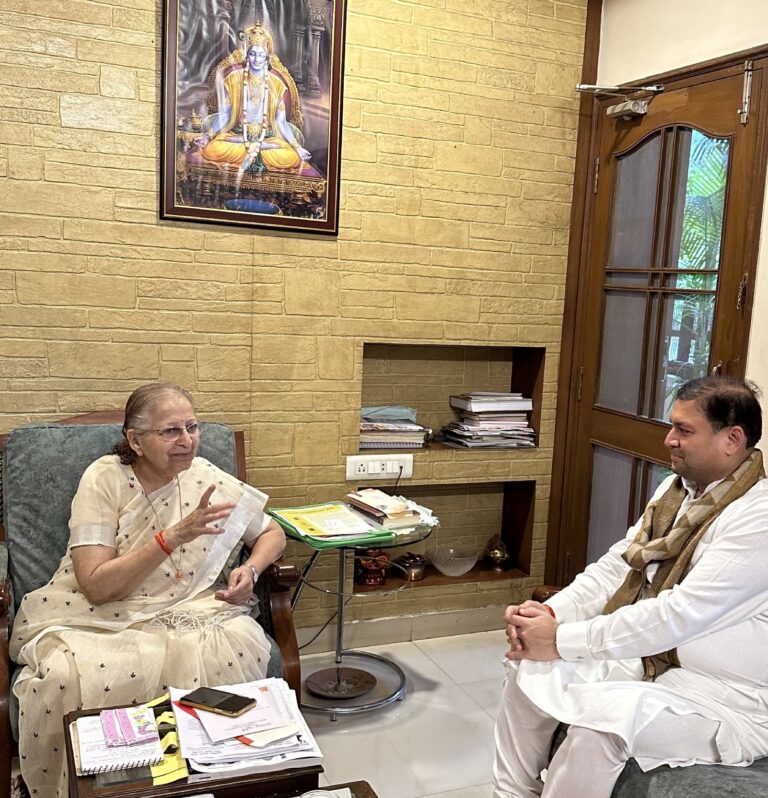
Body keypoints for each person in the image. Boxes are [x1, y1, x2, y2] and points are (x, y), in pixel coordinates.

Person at [493, 375, 768, 798]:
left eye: (683, 430)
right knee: (530, 661)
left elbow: (679, 613)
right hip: (651, 664)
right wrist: (550, 615)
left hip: (724, 699)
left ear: (732, 439)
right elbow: (618, 567)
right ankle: (510, 794)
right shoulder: (675, 492)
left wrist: (563, 640)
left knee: (601, 723)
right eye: (671, 426)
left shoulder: (758, 518)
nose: (668, 440)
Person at [10, 382, 287, 798]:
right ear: (135, 441)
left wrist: (250, 567)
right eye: (171, 431)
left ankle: (210, 784)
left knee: (233, 644)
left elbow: (272, 531)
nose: (187, 440)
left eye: (192, 427)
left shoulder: (204, 475)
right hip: (101, 611)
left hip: (190, 606)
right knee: (64, 675)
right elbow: (96, 585)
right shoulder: (104, 479)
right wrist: (173, 536)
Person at [198, 23, 312, 173]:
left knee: (291, 157)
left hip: (267, 139)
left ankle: (257, 149)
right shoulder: (234, 79)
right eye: (253, 54)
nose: (256, 59)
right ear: (247, 55)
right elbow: (225, 115)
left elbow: (281, 122)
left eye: (261, 55)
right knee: (212, 149)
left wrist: (297, 147)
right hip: (238, 136)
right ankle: (253, 149)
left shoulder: (276, 84)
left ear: (267, 58)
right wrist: (207, 136)